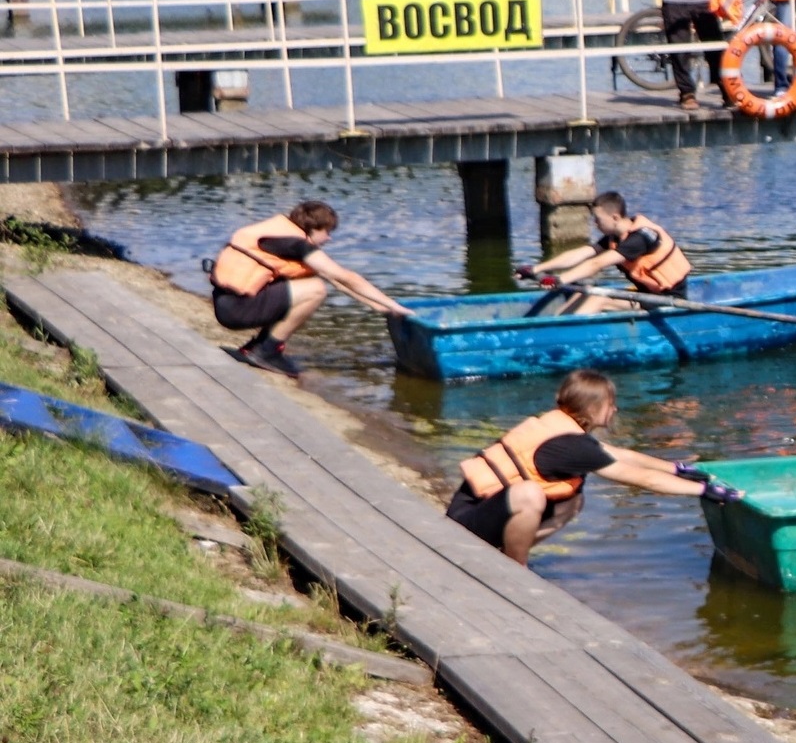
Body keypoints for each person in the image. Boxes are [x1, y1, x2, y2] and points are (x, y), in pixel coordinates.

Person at [446, 369, 739, 564]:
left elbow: (622, 455)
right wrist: (702, 491)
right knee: (530, 494)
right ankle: (514, 569)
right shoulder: (572, 445)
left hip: (483, 513)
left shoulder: (566, 429)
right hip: (462, 526)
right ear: (593, 408)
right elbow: (640, 478)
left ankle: (506, 555)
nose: (615, 410)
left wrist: (677, 468)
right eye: (611, 404)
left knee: (573, 501)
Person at [207, 200, 413, 376]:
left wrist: (380, 307)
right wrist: (395, 305)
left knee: (310, 284)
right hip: (237, 310)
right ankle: (267, 351)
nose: (329, 238)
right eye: (327, 232)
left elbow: (337, 281)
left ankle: (257, 347)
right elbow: (346, 276)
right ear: (313, 229)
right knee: (315, 289)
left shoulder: (279, 236)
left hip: (228, 304)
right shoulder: (296, 244)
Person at [519, 192, 690, 315]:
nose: (595, 224)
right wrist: (536, 269)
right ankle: (554, 330)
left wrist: (559, 280)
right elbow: (581, 254)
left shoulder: (640, 238)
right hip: (647, 294)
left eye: (598, 219)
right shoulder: (614, 237)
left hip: (668, 300)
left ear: (615, 217)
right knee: (584, 291)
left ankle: (568, 338)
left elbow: (596, 264)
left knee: (598, 298)